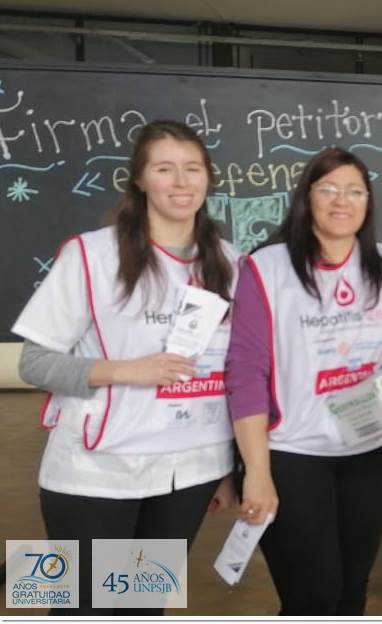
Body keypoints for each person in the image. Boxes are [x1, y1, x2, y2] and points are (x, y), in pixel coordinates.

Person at [12, 120, 239, 615]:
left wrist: (229, 468)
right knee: (80, 607)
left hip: (190, 473)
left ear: (208, 177)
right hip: (96, 473)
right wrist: (125, 371)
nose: (181, 182)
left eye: (192, 168)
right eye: (165, 169)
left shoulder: (230, 262)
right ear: (139, 179)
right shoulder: (92, 254)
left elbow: (233, 375)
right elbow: (34, 362)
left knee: (142, 607)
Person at [225, 147, 382, 615]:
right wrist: (257, 471)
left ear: (368, 202)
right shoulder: (266, 268)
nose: (341, 201)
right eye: (327, 189)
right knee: (313, 599)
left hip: (367, 451)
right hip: (291, 454)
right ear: (306, 197)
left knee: (350, 593)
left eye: (354, 191)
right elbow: (245, 372)